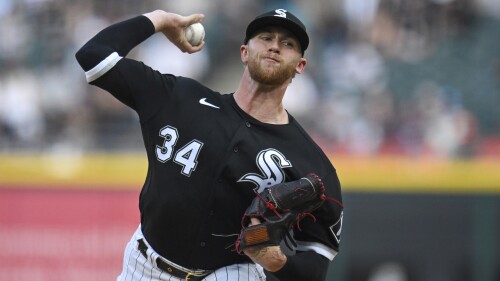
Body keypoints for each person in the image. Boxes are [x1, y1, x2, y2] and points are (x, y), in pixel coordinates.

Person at [76, 7, 343, 281]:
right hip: (143, 267)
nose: (275, 46)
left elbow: (316, 265)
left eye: (288, 44)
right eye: (265, 37)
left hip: (231, 274)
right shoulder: (179, 99)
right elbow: (93, 56)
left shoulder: (311, 162)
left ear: (300, 65)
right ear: (244, 52)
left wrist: (278, 263)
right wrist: (158, 20)